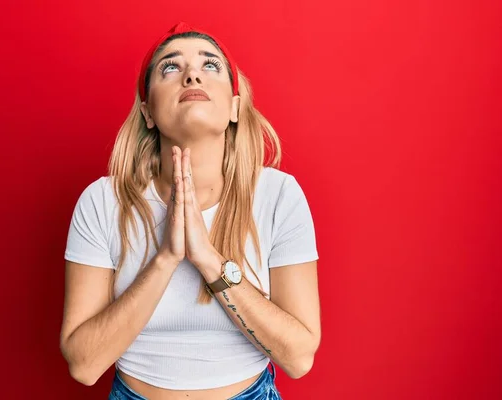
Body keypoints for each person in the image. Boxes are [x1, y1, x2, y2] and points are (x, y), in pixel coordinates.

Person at [60, 22, 321, 400]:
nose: (192, 74)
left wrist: (209, 261)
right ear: (148, 112)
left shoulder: (278, 196)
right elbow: (84, 366)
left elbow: (298, 358)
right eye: (170, 67)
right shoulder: (103, 202)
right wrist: (166, 258)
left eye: (210, 65)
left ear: (234, 108)